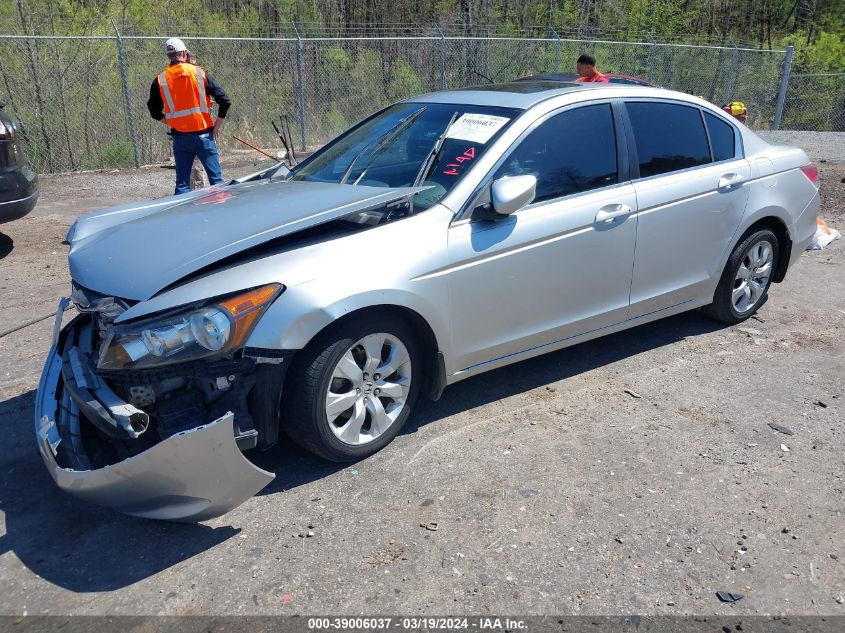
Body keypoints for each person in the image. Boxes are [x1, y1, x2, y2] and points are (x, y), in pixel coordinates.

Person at [146, 37, 231, 195]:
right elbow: (225, 100)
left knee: (182, 185)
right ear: (184, 53)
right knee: (217, 183)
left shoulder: (161, 79)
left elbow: (153, 110)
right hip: (204, 135)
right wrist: (217, 126)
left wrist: (171, 122)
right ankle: (222, 215)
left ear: (169, 56)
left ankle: (183, 218)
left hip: (180, 138)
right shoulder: (199, 72)